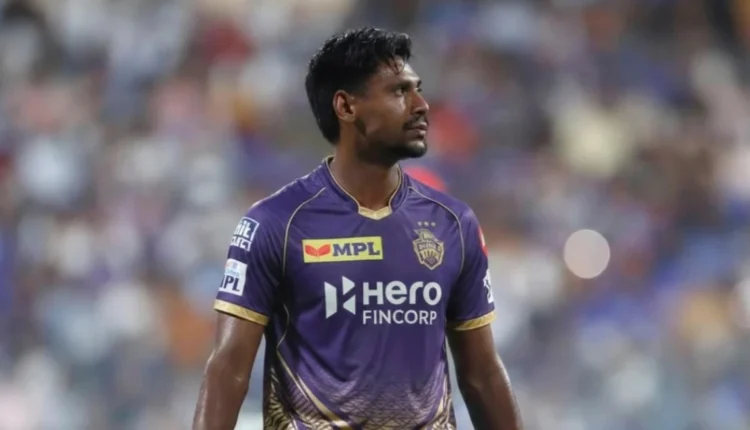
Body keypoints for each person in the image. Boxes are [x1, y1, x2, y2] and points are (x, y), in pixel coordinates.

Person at [193, 27, 523, 430]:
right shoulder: (276, 223)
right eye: (399, 91)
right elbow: (228, 369)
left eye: (418, 90)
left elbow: (482, 374)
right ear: (346, 106)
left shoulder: (453, 223)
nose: (421, 106)